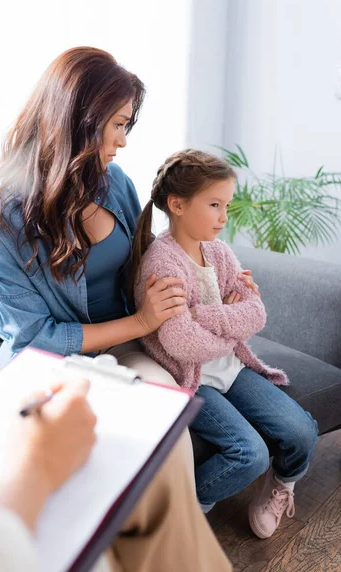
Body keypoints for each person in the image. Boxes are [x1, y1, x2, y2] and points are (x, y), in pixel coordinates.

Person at [0, 47, 233, 570]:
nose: (124, 140)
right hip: (44, 364)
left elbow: (148, 261)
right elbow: (35, 337)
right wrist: (139, 322)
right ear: (78, 118)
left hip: (127, 346)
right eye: (116, 124)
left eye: (128, 124)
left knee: (167, 438)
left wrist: (209, 280)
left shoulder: (118, 184)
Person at [132, 149, 319, 540]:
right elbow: (181, 343)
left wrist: (203, 316)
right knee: (248, 454)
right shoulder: (161, 264)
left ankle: (282, 483)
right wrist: (229, 323)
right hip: (192, 379)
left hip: (230, 368)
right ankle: (186, 508)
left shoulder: (218, 251)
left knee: (301, 430)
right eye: (215, 205)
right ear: (177, 204)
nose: (224, 216)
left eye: (227, 205)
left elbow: (257, 312)